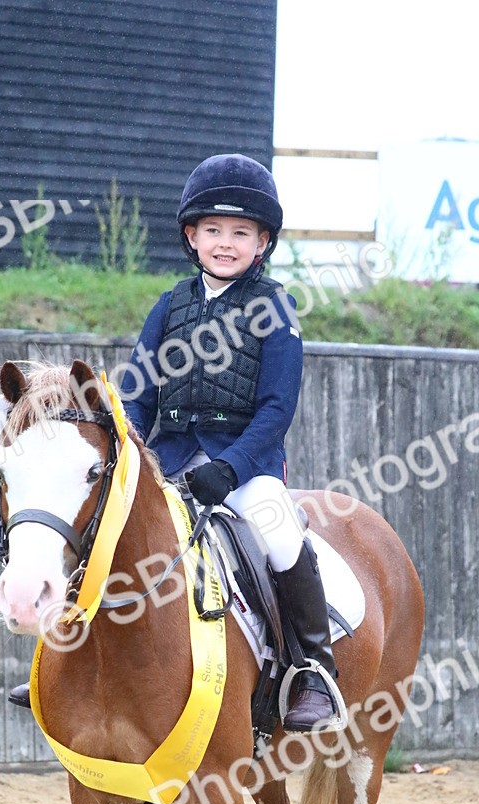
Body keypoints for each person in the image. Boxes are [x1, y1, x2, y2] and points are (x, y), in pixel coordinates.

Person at [117, 153, 341, 731]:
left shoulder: (275, 308)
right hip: (167, 456)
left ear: (261, 243)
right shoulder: (169, 305)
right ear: (191, 237)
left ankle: (312, 669)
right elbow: (137, 393)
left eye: (240, 232)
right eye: (213, 230)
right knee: (104, 525)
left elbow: (276, 409)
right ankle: (74, 650)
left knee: (279, 532)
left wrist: (232, 466)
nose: (225, 242)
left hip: (247, 464)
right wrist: (130, 452)